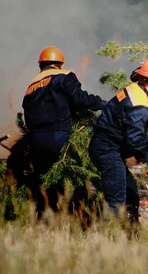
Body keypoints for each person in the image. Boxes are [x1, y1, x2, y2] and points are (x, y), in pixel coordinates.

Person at [19, 46, 106, 216]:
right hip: (60, 135)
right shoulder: (65, 76)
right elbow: (80, 99)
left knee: (48, 181)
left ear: (41, 65)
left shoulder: (31, 85)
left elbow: (27, 115)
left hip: (36, 140)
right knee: (77, 177)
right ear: (59, 64)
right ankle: (79, 216)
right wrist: (103, 104)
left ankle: (48, 217)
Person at [89, 58, 148, 223]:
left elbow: (128, 127)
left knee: (130, 191)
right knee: (116, 200)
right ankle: (109, 238)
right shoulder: (140, 106)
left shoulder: (133, 90)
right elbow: (134, 139)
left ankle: (130, 231)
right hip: (107, 150)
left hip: (106, 145)